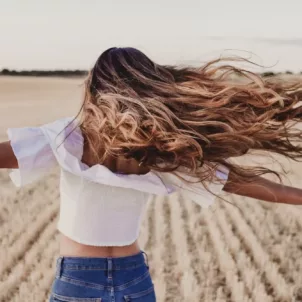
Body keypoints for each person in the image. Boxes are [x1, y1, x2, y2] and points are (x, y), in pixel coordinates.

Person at [0, 47, 302, 302]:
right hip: (134, 279)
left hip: (78, 278)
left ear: (96, 90)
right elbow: (241, 184)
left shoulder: (66, 138)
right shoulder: (160, 150)